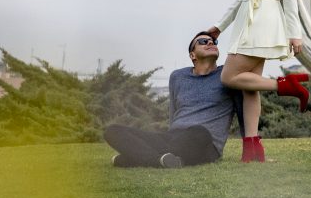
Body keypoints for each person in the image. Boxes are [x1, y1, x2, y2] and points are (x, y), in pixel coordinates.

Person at [208, 0, 311, 163]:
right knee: (249, 88)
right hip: (244, 25)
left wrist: (294, 34)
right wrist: (219, 27)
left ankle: (287, 86)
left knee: (229, 77)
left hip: (262, 25)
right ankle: (253, 152)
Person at [103, 30, 242, 168]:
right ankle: (159, 160)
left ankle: (135, 158)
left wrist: (250, 142)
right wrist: (170, 137)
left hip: (205, 142)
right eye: (203, 42)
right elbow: (173, 113)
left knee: (199, 132)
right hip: (172, 137)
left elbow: (243, 109)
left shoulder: (228, 75)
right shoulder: (178, 76)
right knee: (112, 131)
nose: (211, 42)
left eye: (214, 42)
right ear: (192, 55)